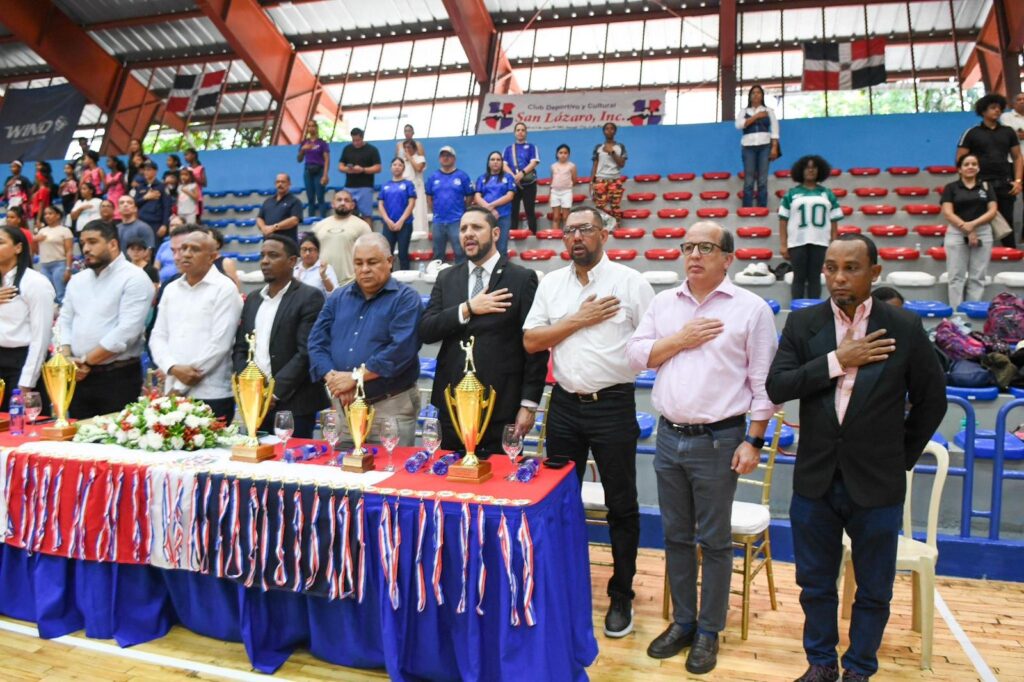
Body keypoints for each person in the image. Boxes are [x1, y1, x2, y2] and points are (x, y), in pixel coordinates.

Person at [766, 234, 947, 682]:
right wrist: (835, 360)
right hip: (816, 480)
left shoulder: (902, 326)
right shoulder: (803, 323)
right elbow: (778, 387)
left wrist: (898, 458)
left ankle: (860, 669)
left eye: (851, 267)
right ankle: (822, 664)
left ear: (875, 272)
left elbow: (932, 402)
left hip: (878, 481)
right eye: (831, 267)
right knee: (814, 583)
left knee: (875, 589)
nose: (839, 277)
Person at [626, 221, 778, 674]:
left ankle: (709, 630)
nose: (694, 255)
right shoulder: (663, 303)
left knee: (713, 541)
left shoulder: (751, 309)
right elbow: (636, 356)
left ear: (727, 258)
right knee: (674, 535)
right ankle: (683, 622)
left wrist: (754, 439)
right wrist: (680, 340)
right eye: (688, 246)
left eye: (705, 248)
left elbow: (764, 383)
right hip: (669, 436)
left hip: (721, 439)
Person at [523, 205, 655, 639]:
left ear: (604, 234)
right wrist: (579, 319)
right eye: (569, 230)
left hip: (614, 405)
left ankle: (621, 595)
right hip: (562, 406)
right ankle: (562, 586)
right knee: (559, 503)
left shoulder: (631, 283)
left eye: (585, 229)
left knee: (622, 505)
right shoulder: (551, 284)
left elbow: (651, 344)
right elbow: (531, 342)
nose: (576, 236)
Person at [420, 207, 548, 455]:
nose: (468, 234)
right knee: (450, 483)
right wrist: (467, 308)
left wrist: (529, 404)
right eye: (463, 228)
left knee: (499, 487)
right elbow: (426, 330)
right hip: (452, 403)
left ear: (496, 232)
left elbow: (534, 346)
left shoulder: (522, 278)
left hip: (501, 405)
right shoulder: (446, 278)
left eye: (476, 227)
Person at [308, 233, 423, 446]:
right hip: (343, 406)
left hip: (389, 407)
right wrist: (334, 379)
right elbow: (316, 342)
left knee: (388, 474)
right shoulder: (338, 298)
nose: (364, 269)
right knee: (339, 474)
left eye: (372, 262)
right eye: (358, 263)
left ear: (389, 262)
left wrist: (354, 378)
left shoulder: (406, 299)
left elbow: (400, 350)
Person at [233, 234, 328, 439]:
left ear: (292, 261)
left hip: (293, 403)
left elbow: (305, 353)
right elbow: (241, 348)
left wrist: (272, 393)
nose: (265, 261)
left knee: (291, 468)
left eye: (273, 255)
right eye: (262, 255)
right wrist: (252, 388)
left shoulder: (309, 297)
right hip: (255, 402)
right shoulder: (252, 299)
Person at [58, 220, 154, 419]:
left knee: (114, 446)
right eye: (83, 243)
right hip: (77, 376)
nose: (86, 248)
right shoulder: (78, 280)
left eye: (93, 242)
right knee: (77, 444)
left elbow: (127, 331)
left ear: (112, 244)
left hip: (117, 378)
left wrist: (85, 361)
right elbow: (64, 321)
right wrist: (66, 356)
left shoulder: (134, 278)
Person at [149, 230, 243, 423]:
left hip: (210, 393)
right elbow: (157, 335)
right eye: (183, 248)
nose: (186, 254)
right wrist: (172, 367)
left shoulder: (224, 288)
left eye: (195, 249)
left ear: (212, 257)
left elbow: (220, 344)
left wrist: (180, 385)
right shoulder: (171, 289)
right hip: (172, 392)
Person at [957, 93, 1023, 247]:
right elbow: (960, 158)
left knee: (1007, 221)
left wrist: (1018, 181)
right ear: (983, 111)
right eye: (993, 108)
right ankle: (968, 249)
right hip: (980, 184)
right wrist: (967, 182)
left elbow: (1018, 157)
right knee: (974, 218)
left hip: (1005, 182)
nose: (997, 111)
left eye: (999, 108)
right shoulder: (972, 133)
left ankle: (1010, 254)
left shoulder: (1008, 132)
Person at [0, 226, 55, 411]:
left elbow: (41, 337)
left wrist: (26, 383)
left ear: (18, 248)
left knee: (20, 428)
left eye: (1, 242)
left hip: (22, 362)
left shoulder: (35, 283)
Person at [779, 155, 842, 301]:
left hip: (820, 241)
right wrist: (783, 244)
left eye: (814, 167)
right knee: (799, 277)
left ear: (820, 171)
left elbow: (834, 221)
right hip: (797, 241)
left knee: (815, 277)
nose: (811, 170)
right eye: (807, 167)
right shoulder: (792, 194)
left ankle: (815, 312)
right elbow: (783, 220)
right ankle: (797, 312)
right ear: (800, 170)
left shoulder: (827, 193)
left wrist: (834, 242)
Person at [940, 153, 997, 309]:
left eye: (974, 164)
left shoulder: (986, 187)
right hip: (957, 232)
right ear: (959, 169)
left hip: (983, 232)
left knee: (978, 277)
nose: (970, 167)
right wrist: (966, 227)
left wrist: (973, 225)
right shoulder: (951, 188)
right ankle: (957, 315)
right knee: (956, 277)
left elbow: (992, 210)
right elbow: (947, 212)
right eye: (966, 164)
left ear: (978, 168)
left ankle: (973, 311)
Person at [426, 146, 474, 264]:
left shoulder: (462, 176)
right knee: (438, 254)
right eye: (443, 156)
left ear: (454, 158)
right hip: (438, 221)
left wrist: (463, 210)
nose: (445, 158)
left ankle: (461, 278)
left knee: (460, 252)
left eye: (448, 155)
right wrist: (436, 212)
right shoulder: (433, 177)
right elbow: (429, 197)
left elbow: (469, 195)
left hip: (456, 220)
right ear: (439, 159)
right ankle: (438, 278)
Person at [313, 189, 371, 286]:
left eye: (346, 200)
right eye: (339, 200)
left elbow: (369, 254)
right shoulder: (319, 226)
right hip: (322, 282)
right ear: (333, 204)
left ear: (352, 205)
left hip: (350, 283)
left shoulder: (362, 226)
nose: (342, 203)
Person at [736, 85, 781, 209]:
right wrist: (756, 117)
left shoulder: (769, 111)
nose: (756, 95)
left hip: (765, 147)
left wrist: (774, 147)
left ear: (762, 96)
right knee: (749, 180)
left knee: (762, 180)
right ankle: (747, 208)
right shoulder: (743, 112)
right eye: (753, 93)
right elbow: (739, 125)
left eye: (759, 93)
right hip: (748, 147)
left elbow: (775, 130)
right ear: (750, 96)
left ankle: (762, 207)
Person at [474, 151, 516, 256]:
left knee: (501, 247)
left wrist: (491, 206)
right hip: (486, 217)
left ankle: (501, 271)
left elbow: (510, 196)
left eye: (498, 159)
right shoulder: (481, 178)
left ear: (502, 163)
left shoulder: (508, 177)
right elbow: (477, 196)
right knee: (486, 246)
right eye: (492, 159)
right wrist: (490, 210)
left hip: (503, 216)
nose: (495, 162)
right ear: (488, 163)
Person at [378, 158, 417, 270]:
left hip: (405, 224)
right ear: (391, 167)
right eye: (394, 164)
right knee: (387, 255)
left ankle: (406, 281)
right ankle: (387, 279)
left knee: (403, 254)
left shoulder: (408, 184)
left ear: (404, 168)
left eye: (400, 165)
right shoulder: (385, 185)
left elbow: (411, 204)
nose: (397, 167)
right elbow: (380, 204)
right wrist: (388, 220)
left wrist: (401, 221)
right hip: (388, 225)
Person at [503, 122, 540, 234]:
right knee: (513, 211)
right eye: (518, 130)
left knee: (530, 210)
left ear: (526, 133)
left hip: (529, 184)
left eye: (523, 130)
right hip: (513, 184)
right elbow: (504, 165)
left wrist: (522, 173)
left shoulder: (532, 147)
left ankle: (533, 235)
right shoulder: (508, 149)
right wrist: (514, 177)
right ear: (514, 133)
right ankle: (513, 235)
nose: (520, 132)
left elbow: (534, 162)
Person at [337, 127, 382, 221]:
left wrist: (363, 170)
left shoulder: (372, 150)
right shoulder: (347, 149)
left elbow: (378, 168)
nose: (356, 143)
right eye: (354, 140)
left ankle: (369, 235)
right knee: (346, 213)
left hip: (365, 186)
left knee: (366, 215)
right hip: (349, 186)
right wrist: (349, 169)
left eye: (358, 140)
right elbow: (340, 167)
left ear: (362, 138)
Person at [34, 205, 74, 304]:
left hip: (59, 264)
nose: (47, 216)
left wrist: (68, 268)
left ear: (58, 216)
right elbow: (37, 251)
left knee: (61, 294)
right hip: (44, 265)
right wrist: (35, 241)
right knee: (49, 294)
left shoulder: (65, 230)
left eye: (50, 213)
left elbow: (69, 251)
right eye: (45, 214)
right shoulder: (42, 231)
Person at [591, 122, 628, 225]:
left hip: (615, 180)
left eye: (612, 128)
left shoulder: (620, 146)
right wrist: (591, 182)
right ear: (603, 131)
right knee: (600, 206)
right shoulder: (598, 147)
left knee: (615, 206)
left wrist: (612, 152)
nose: (609, 130)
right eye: (607, 129)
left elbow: (622, 164)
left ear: (615, 131)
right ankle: (602, 228)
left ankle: (615, 227)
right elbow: (595, 164)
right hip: (600, 180)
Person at [131, 161, 172, 242]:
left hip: (156, 223)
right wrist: (145, 197)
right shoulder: (141, 187)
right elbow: (135, 203)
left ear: (155, 171)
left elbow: (167, 207)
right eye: (145, 170)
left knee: (155, 249)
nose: (146, 172)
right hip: (141, 221)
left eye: (149, 170)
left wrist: (164, 225)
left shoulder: (162, 187)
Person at [257, 173, 304, 242]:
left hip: (286, 244)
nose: (280, 184)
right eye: (278, 182)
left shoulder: (295, 201)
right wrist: (263, 228)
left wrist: (274, 227)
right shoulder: (268, 201)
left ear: (289, 184)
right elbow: (259, 218)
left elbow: (294, 220)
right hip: (268, 243)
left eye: (283, 182)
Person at [298, 120, 331, 219]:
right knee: (310, 198)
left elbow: (327, 159)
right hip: (308, 171)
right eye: (309, 126)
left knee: (320, 197)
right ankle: (310, 221)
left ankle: (323, 219)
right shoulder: (304, 142)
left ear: (316, 128)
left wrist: (325, 175)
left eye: (313, 126)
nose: (311, 128)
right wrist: (303, 149)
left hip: (319, 171)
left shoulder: (322, 143)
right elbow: (299, 159)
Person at [400, 138, 428, 236]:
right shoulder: (402, 161)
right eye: (405, 148)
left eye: (409, 147)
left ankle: (420, 232)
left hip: (417, 188)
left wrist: (409, 157)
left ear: (414, 148)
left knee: (418, 211)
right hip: (405, 189)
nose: (407, 149)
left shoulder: (420, 158)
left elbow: (418, 168)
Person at [549, 144, 578, 233]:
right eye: (560, 152)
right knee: (556, 217)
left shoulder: (572, 166)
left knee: (566, 217)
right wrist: (550, 194)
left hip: (566, 192)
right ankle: (555, 236)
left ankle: (567, 235)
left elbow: (574, 180)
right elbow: (552, 180)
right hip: (555, 192)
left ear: (568, 154)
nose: (563, 155)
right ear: (557, 154)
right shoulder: (553, 166)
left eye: (565, 153)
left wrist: (566, 187)